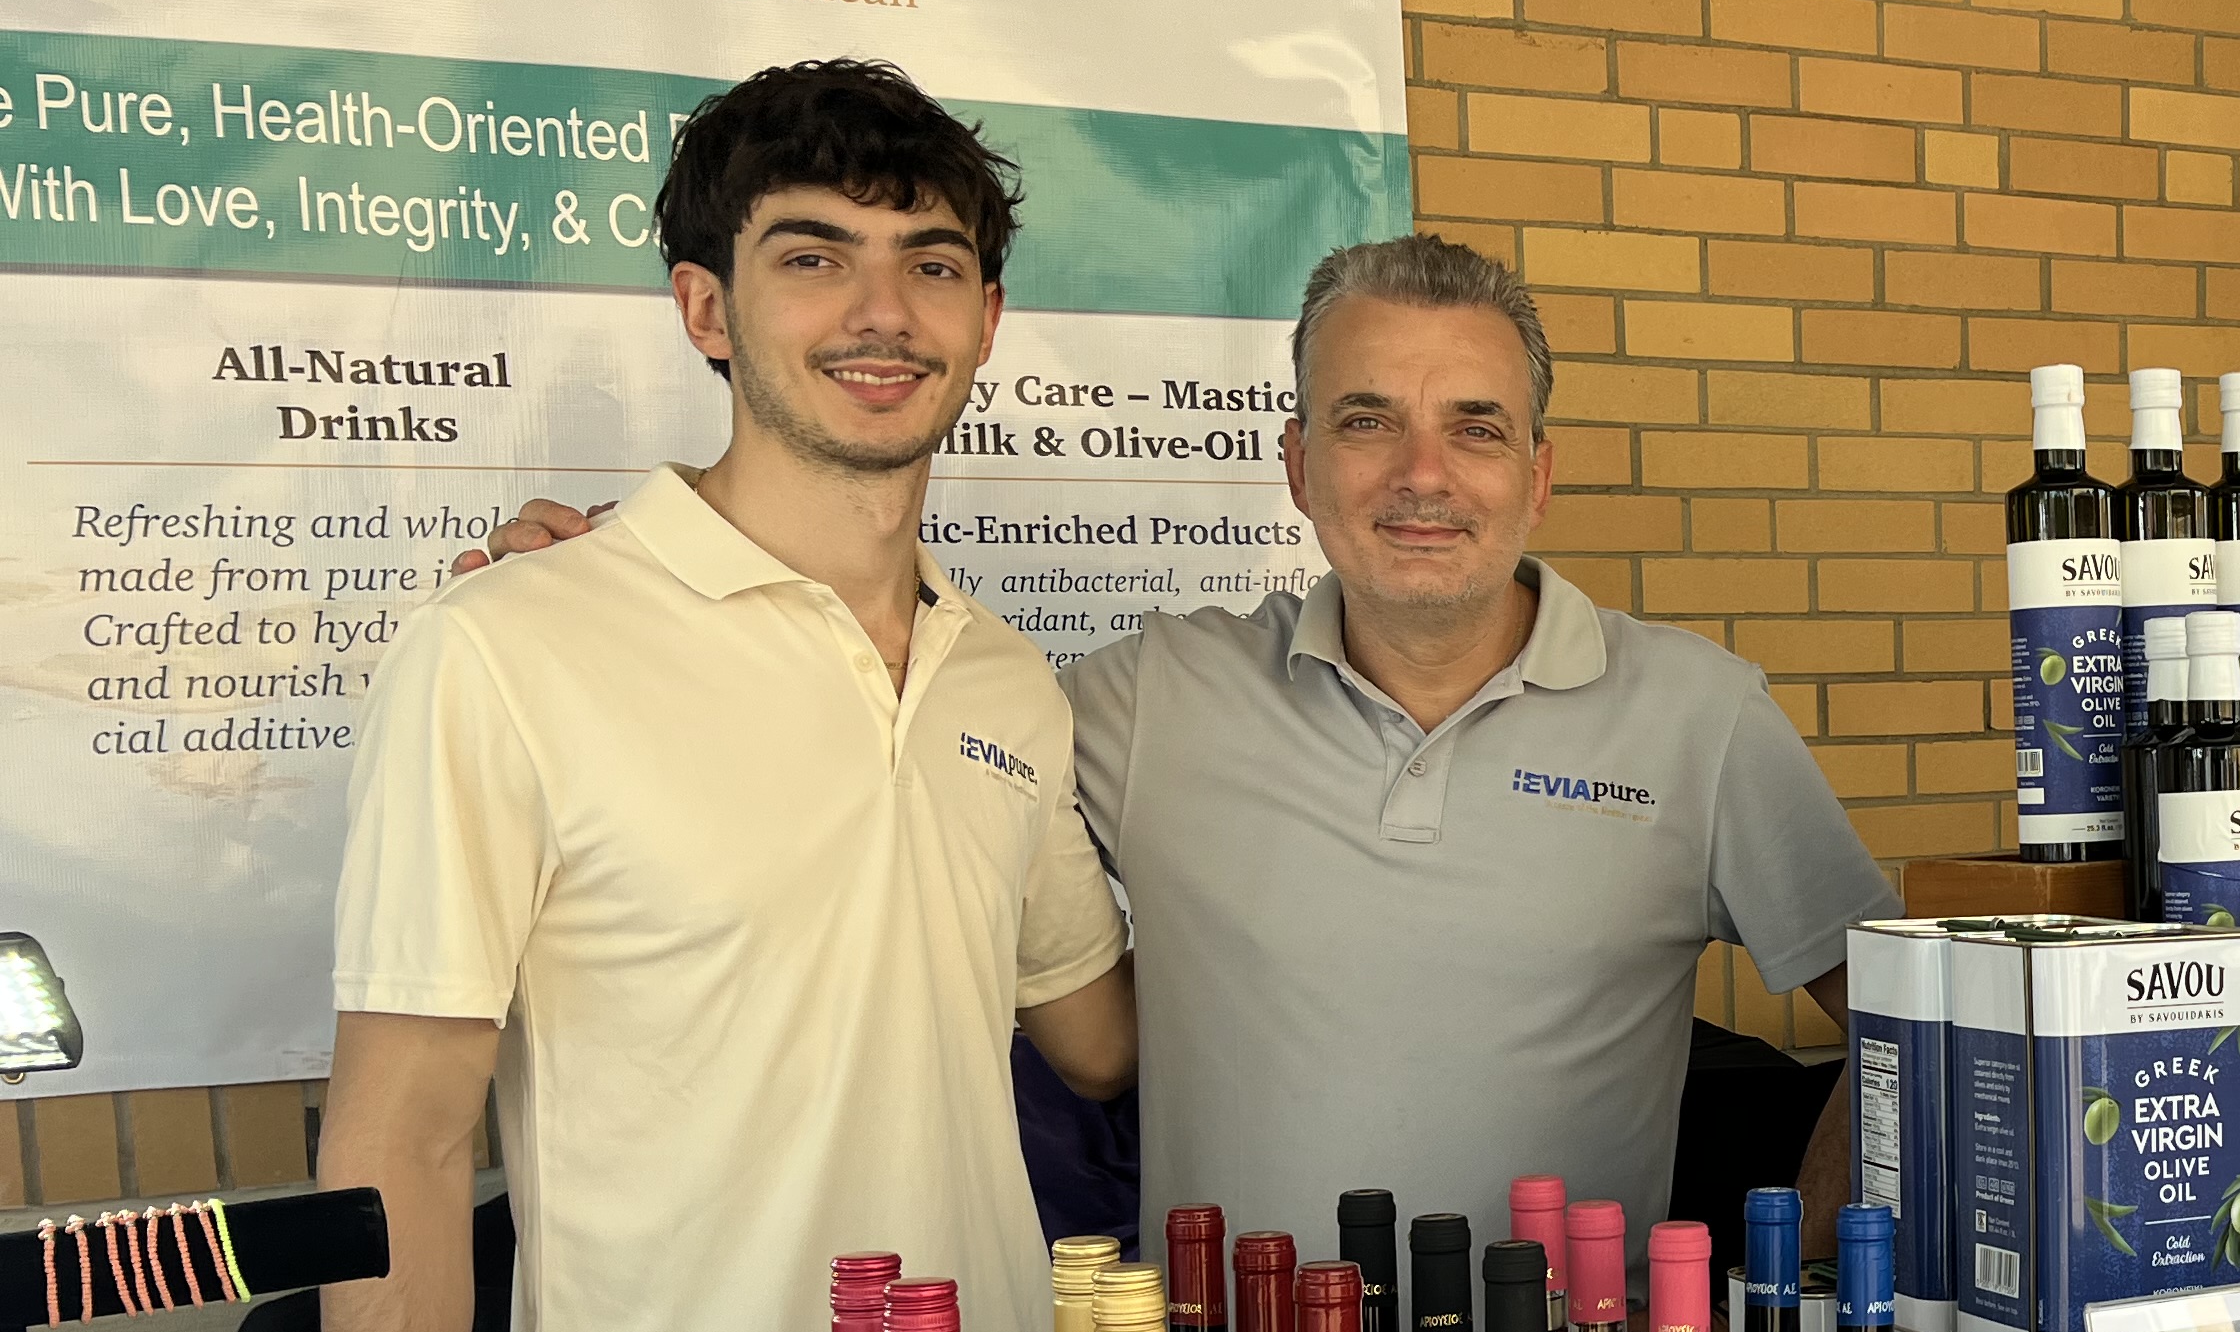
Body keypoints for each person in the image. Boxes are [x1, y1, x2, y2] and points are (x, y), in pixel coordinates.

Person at [478, 232, 1899, 1264]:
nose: (1421, 475)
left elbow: (1914, 1032)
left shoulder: (1702, 719)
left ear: (1538, 473)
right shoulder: (1153, 697)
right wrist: (641, 603)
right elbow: (875, 715)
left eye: (1474, 429)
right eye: (1366, 423)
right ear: (1294, 466)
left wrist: (1811, 1292)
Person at [325, 59, 1136, 1332]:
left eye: (930, 261)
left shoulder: (1004, 676)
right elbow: (394, 1136)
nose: (879, 308)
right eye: (810, 254)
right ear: (704, 306)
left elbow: (1096, 1031)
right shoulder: (511, 647)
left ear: (987, 317)